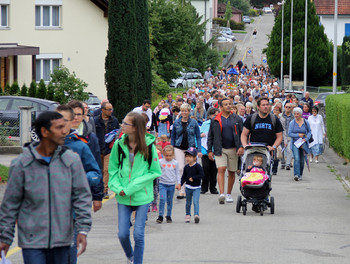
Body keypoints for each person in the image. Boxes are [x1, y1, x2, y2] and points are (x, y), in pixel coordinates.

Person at [0, 111, 92, 264]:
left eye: (65, 127)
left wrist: (82, 229)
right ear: (44, 132)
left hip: (62, 239)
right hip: (32, 241)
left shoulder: (71, 160)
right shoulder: (22, 164)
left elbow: (81, 196)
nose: (65, 131)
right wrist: (5, 237)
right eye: (59, 127)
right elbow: (10, 204)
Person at [108, 112, 161, 264]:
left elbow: (155, 172)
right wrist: (118, 188)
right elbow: (112, 170)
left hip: (142, 196)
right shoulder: (118, 145)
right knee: (123, 234)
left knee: (138, 234)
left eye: (125, 123)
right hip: (123, 195)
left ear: (135, 128)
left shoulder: (149, 145)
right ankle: (131, 256)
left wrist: (132, 186)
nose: (122, 126)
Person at [56, 105, 103, 264]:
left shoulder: (82, 144)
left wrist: (81, 180)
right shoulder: (44, 146)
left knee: (70, 250)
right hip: (47, 212)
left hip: (73, 209)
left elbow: (95, 171)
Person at [207, 98, 244, 204]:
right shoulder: (215, 120)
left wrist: (241, 146)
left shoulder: (237, 118)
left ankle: (228, 194)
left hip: (233, 149)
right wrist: (210, 150)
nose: (228, 106)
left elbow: (243, 134)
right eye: (226, 104)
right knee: (221, 169)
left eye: (230, 104)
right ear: (221, 107)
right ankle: (222, 194)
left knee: (231, 172)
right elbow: (211, 136)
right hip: (220, 149)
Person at [171, 103, 202, 199]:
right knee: (180, 168)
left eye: (186, 111)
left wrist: (199, 149)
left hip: (190, 148)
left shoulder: (194, 122)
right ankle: (181, 190)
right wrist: (171, 149)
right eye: (183, 110)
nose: (184, 112)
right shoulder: (176, 123)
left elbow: (198, 136)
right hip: (178, 147)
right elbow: (173, 136)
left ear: (189, 112)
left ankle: (190, 189)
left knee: (189, 168)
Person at [94, 101, 120, 198]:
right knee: (99, 170)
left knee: (107, 169)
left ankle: (104, 190)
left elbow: (118, 133)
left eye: (111, 109)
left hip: (109, 149)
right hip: (98, 148)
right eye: (109, 109)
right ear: (103, 110)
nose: (111, 111)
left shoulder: (114, 121)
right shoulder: (95, 121)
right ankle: (98, 188)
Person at [68, 100, 102, 168]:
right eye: (73, 114)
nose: (76, 117)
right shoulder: (60, 135)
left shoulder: (91, 138)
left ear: (83, 116)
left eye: (79, 114)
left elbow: (96, 166)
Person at [157, 145, 181, 224]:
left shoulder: (175, 163)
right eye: (166, 155)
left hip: (171, 184)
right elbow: (157, 172)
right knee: (163, 199)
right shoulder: (160, 162)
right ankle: (160, 216)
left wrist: (179, 183)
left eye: (170, 155)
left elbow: (177, 173)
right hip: (162, 184)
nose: (168, 157)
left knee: (170, 200)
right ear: (163, 154)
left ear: (173, 155)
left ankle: (168, 215)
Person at [181, 147, 204, 224]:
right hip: (188, 187)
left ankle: (196, 214)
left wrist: (194, 178)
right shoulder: (186, 167)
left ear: (194, 158)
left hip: (196, 187)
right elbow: (184, 177)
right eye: (186, 156)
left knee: (195, 201)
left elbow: (202, 175)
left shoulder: (197, 166)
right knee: (188, 202)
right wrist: (180, 184)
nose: (187, 158)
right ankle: (187, 214)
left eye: (190, 156)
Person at [288, 107, 312, 181]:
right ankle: (296, 175)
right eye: (294, 114)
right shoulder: (292, 123)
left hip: (303, 143)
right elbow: (289, 133)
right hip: (295, 143)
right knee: (297, 158)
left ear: (301, 114)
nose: (296, 115)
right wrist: (298, 135)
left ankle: (300, 174)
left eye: (297, 114)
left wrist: (306, 138)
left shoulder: (305, 122)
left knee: (302, 160)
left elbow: (309, 132)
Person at [200, 108, 219, 194]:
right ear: (210, 115)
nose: (215, 117)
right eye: (214, 115)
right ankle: (204, 187)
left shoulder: (218, 123)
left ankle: (213, 187)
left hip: (215, 150)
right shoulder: (205, 124)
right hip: (205, 149)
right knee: (205, 169)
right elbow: (199, 134)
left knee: (214, 170)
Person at [279, 102, 294, 170]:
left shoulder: (293, 116)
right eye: (286, 107)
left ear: (291, 109)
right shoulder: (280, 116)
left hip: (290, 135)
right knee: (281, 150)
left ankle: (288, 164)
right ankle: (283, 163)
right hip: (282, 135)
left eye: (289, 107)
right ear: (284, 107)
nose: (287, 108)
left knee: (289, 150)